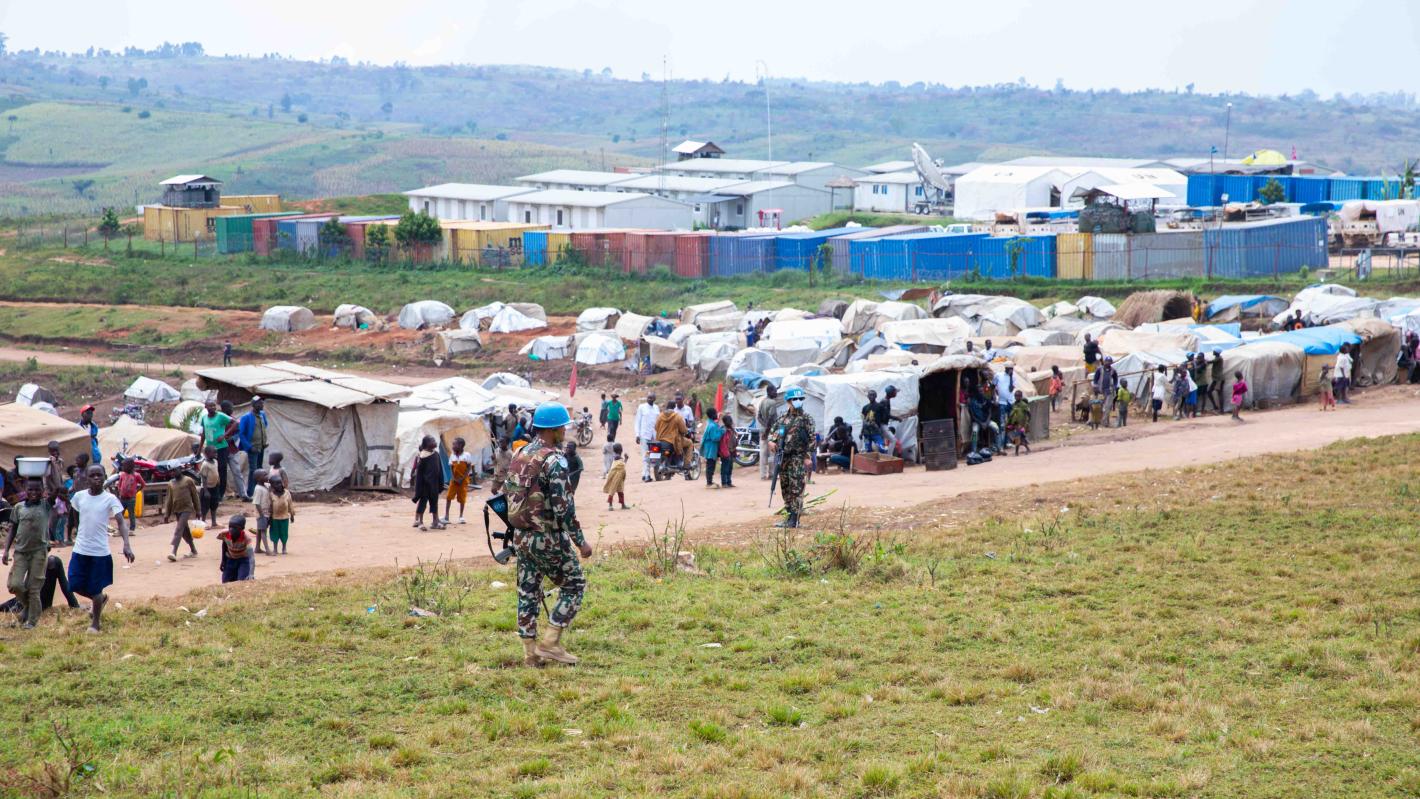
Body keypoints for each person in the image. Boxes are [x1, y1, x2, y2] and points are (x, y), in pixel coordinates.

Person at [504, 402, 592, 667]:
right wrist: (581, 542)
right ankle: (551, 642)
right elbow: (564, 507)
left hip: (521, 536)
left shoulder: (520, 454)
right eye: (563, 427)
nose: (565, 431)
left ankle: (530, 653)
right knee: (574, 584)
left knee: (528, 590)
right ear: (554, 429)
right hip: (547, 537)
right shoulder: (554, 460)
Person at [69, 465, 133, 633]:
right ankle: (100, 600)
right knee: (74, 584)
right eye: (92, 475)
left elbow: (121, 522)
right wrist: (76, 530)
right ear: (87, 479)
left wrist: (126, 544)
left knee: (95, 588)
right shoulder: (79, 497)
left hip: (100, 552)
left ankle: (95, 623)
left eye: (99, 475)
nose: (96, 478)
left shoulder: (110, 499)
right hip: (80, 549)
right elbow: (75, 513)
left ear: (105, 477)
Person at [3, 479, 51, 628]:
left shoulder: (45, 506)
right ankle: (29, 606)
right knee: (14, 584)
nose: (34, 493)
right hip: (21, 552)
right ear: (25, 489)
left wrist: (50, 469)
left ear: (43, 491)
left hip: (39, 552)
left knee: (33, 587)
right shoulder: (18, 507)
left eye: (37, 490)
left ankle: (32, 621)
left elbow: (55, 494)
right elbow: (13, 529)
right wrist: (5, 550)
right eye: (30, 490)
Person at [769, 386, 815, 529]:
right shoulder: (782, 418)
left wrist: (807, 457)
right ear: (788, 401)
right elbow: (773, 432)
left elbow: (812, 439)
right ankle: (789, 516)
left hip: (798, 457)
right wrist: (771, 441)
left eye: (800, 399)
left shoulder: (806, 419)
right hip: (783, 458)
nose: (797, 401)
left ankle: (795, 520)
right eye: (794, 399)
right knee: (786, 487)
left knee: (797, 488)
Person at [0, 555, 79, 618]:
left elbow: (64, 585)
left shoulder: (51, 562)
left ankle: (75, 605)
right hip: (33, 602)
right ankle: (75, 605)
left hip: (34, 603)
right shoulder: (51, 561)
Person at [161, 468, 201, 562]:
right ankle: (193, 550)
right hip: (177, 510)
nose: (172, 473)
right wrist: (167, 514)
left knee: (179, 528)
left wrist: (198, 510)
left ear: (180, 470)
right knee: (184, 530)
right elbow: (169, 500)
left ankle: (174, 552)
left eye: (174, 470)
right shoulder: (171, 483)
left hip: (187, 509)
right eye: (171, 471)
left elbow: (195, 495)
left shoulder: (188, 480)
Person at [201, 400, 238, 503]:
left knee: (221, 471)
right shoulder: (204, 418)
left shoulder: (220, 416)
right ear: (206, 407)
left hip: (221, 448)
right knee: (211, 471)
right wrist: (200, 448)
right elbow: (204, 434)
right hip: (209, 449)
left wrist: (225, 435)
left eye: (214, 405)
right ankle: (213, 493)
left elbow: (236, 422)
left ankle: (220, 495)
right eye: (210, 406)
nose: (213, 407)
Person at [410, 435, 445, 531]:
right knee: (423, 503)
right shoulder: (422, 456)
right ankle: (420, 522)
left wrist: (440, 483)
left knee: (434, 502)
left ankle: (435, 522)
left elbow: (440, 470)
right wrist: (419, 487)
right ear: (426, 444)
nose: (435, 441)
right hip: (425, 485)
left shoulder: (436, 454)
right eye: (432, 440)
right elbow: (420, 474)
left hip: (434, 484)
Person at [237, 396, 269, 500]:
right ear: (254, 405)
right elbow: (241, 434)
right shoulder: (246, 417)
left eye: (262, 403)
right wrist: (249, 447)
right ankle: (250, 493)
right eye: (260, 403)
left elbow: (264, 427)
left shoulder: (262, 415)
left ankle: (259, 491)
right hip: (253, 448)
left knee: (260, 469)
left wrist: (264, 441)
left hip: (261, 447)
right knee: (253, 471)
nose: (262, 405)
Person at [443, 437, 478, 525]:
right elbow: (451, 467)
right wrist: (454, 478)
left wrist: (462, 478)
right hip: (454, 480)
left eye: (455, 444)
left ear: (461, 445)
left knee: (462, 498)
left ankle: (461, 516)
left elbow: (469, 467)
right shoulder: (452, 455)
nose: (453, 446)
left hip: (463, 480)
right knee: (449, 497)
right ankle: (446, 516)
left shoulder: (466, 455)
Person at [218, 514, 254, 583]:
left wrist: (251, 573)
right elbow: (224, 545)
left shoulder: (247, 538)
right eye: (230, 527)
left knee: (241, 582)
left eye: (235, 528)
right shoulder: (224, 533)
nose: (231, 529)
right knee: (225, 582)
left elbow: (251, 557)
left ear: (242, 528)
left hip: (243, 561)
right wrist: (223, 561)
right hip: (230, 559)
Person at [655, 401, 691, 469]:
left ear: (667, 406)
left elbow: (656, 427)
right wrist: (685, 431)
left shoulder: (660, 416)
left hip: (660, 440)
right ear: (674, 407)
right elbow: (683, 430)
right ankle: (686, 464)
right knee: (690, 443)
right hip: (672, 441)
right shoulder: (677, 417)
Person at [756, 385, 780, 481]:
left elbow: (758, 417)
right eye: (774, 391)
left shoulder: (762, 401)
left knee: (762, 453)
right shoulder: (772, 403)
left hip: (762, 430)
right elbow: (770, 418)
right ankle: (771, 474)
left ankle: (762, 475)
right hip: (771, 431)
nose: (776, 393)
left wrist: (764, 426)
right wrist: (767, 430)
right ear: (769, 392)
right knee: (772, 452)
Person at [634, 393, 660, 483]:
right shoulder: (642, 407)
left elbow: (659, 422)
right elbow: (637, 421)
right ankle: (647, 475)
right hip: (644, 435)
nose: (649, 399)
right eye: (648, 397)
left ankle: (646, 473)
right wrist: (637, 434)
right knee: (646, 455)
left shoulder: (656, 408)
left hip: (655, 436)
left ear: (654, 399)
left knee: (654, 455)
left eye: (651, 398)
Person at [115, 458, 146, 531]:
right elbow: (119, 484)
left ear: (130, 466)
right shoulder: (122, 474)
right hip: (122, 498)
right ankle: (120, 528)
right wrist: (120, 490)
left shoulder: (136, 475)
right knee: (120, 514)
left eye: (124, 466)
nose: (123, 468)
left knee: (131, 514)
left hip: (131, 499)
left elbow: (143, 484)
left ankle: (132, 528)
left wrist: (137, 490)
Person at [267, 476, 295, 554]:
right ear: (272, 486)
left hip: (285, 517)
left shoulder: (287, 493)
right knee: (274, 533)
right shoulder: (271, 494)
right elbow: (270, 506)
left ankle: (284, 548)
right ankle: (275, 548)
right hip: (274, 518)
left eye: (280, 483)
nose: (279, 485)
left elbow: (290, 504)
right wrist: (269, 518)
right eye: (276, 484)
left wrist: (292, 515)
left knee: (284, 533)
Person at [993, 365, 1017, 449]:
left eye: (1012, 369)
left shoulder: (1013, 377)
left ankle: (1010, 442)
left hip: (1011, 402)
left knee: (1011, 424)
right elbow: (994, 385)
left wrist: (1010, 377)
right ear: (1006, 368)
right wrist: (996, 396)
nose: (1011, 370)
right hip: (1002, 403)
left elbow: (1011, 389)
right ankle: (1001, 445)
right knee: (1002, 424)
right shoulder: (998, 375)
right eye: (1009, 369)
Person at [198, 446, 221, 527]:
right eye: (214, 452)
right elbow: (204, 478)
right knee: (205, 506)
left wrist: (218, 481)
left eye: (216, 452)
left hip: (215, 487)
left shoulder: (215, 461)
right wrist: (206, 491)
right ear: (207, 454)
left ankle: (214, 522)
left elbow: (216, 472)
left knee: (214, 505)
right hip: (206, 488)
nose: (216, 454)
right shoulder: (205, 464)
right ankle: (203, 522)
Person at [701, 408, 724, 488]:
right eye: (715, 413)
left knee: (710, 464)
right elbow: (715, 438)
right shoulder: (712, 426)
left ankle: (709, 481)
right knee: (710, 465)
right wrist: (721, 431)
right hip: (711, 448)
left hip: (709, 447)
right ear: (713, 415)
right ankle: (709, 482)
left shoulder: (710, 424)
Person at [250, 469, 271, 555]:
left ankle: (257, 548)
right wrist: (262, 515)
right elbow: (257, 503)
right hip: (261, 513)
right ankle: (268, 550)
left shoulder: (265, 485)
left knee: (259, 530)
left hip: (265, 513)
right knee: (263, 531)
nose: (267, 476)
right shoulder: (258, 489)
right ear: (258, 478)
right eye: (265, 475)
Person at [1005, 390, 1032, 455]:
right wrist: (1010, 423)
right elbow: (1012, 414)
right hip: (1015, 423)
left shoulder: (1024, 405)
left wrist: (1027, 423)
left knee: (1017, 436)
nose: (1016, 397)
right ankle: (1028, 449)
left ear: (1021, 396)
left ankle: (1016, 452)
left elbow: (1029, 414)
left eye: (1018, 396)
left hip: (1021, 424)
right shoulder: (1014, 404)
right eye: (1015, 396)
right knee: (1020, 437)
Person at [603, 443, 628, 510]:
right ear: (621, 450)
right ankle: (611, 505)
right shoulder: (618, 457)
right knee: (614, 490)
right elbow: (623, 465)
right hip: (616, 476)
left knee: (618, 490)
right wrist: (626, 459)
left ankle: (621, 504)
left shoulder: (616, 456)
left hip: (617, 475)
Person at [77, 405, 102, 469]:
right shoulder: (77, 427)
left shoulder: (94, 426)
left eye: (91, 413)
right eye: (87, 413)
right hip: (83, 450)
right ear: (82, 414)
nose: (90, 415)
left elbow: (94, 438)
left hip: (94, 453)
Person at [718, 413, 737, 487]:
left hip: (731, 451)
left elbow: (734, 440)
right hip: (725, 452)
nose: (731, 422)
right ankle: (724, 482)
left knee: (730, 467)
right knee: (725, 468)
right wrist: (725, 453)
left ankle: (729, 482)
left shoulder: (731, 430)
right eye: (729, 421)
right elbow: (723, 443)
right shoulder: (723, 430)